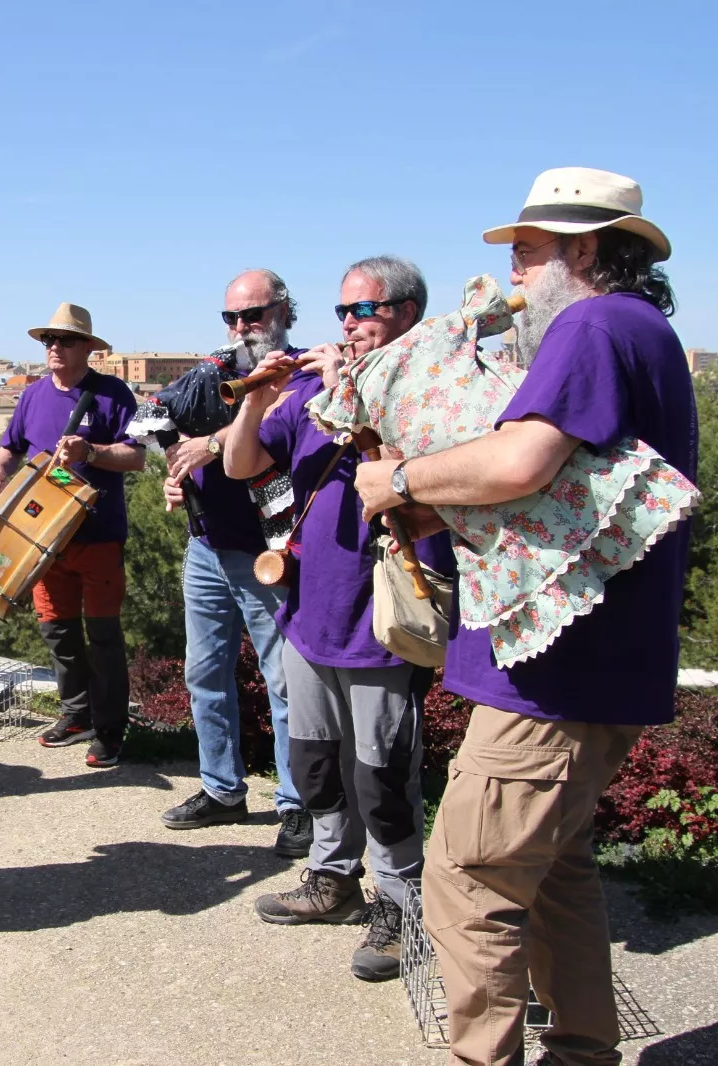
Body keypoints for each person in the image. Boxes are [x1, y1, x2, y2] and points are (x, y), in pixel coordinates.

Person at [352, 169, 695, 1066]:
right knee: (553, 879)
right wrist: (443, 503)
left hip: (553, 679)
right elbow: (564, 484)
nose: (513, 274)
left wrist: (400, 481)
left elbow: (520, 462)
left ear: (585, 251)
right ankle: (582, 1052)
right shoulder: (643, 329)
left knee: (467, 881)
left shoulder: (591, 322)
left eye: (529, 251)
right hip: (593, 669)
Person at [222, 256, 453, 983]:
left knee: (382, 770)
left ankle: (400, 903)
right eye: (343, 313)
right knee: (316, 760)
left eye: (365, 311)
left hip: (382, 615)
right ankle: (332, 877)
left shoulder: (430, 386)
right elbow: (238, 467)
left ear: (408, 313)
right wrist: (257, 399)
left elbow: (411, 466)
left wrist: (342, 387)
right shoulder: (307, 396)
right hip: (308, 610)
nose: (349, 325)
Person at [156, 269, 307, 858]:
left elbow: (279, 429)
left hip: (269, 555)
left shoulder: (300, 371)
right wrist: (179, 478)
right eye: (232, 317)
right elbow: (164, 426)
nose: (243, 327)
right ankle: (222, 789)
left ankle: (297, 805)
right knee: (205, 673)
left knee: (284, 682)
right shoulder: (213, 374)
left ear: (283, 312)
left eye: (254, 314)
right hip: (207, 547)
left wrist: (212, 446)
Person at [0, 303, 145, 768]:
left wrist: (90, 451)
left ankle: (110, 732)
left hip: (98, 535)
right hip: (43, 537)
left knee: (104, 636)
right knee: (58, 631)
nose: (54, 347)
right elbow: (9, 447)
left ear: (87, 348)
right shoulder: (33, 395)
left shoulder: (113, 394)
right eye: (48, 340)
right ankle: (77, 716)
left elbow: (136, 458)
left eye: (64, 340)